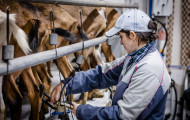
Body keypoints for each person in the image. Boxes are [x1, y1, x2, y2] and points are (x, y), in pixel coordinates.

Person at [50, 9, 171, 120]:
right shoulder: (134, 58)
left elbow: (120, 116)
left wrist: (81, 110)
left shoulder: (150, 70)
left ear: (133, 36)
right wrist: (67, 85)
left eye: (121, 37)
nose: (121, 42)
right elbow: (102, 74)